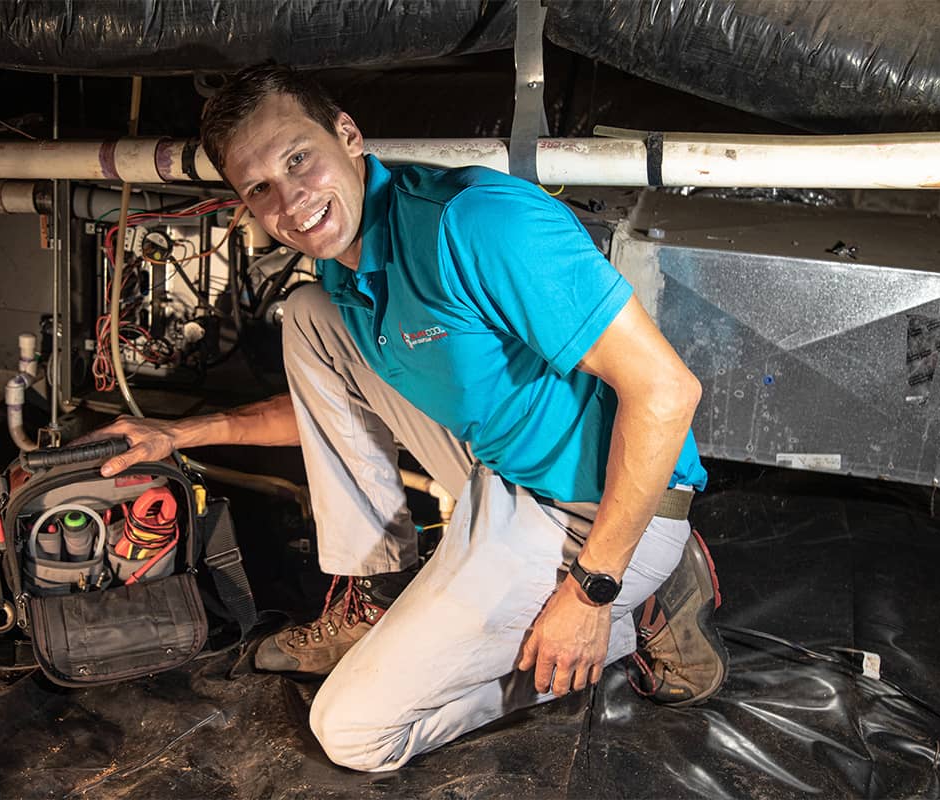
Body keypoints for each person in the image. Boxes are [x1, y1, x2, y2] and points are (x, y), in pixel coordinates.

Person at [86, 64, 727, 772]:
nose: (291, 201)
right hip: (501, 475)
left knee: (353, 731)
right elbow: (325, 411)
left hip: (593, 517)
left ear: (349, 136)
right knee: (307, 318)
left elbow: (668, 393)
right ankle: (378, 592)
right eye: (260, 188)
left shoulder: (476, 223)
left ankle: (627, 620)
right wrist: (179, 434)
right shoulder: (346, 269)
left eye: (298, 158)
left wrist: (590, 593)